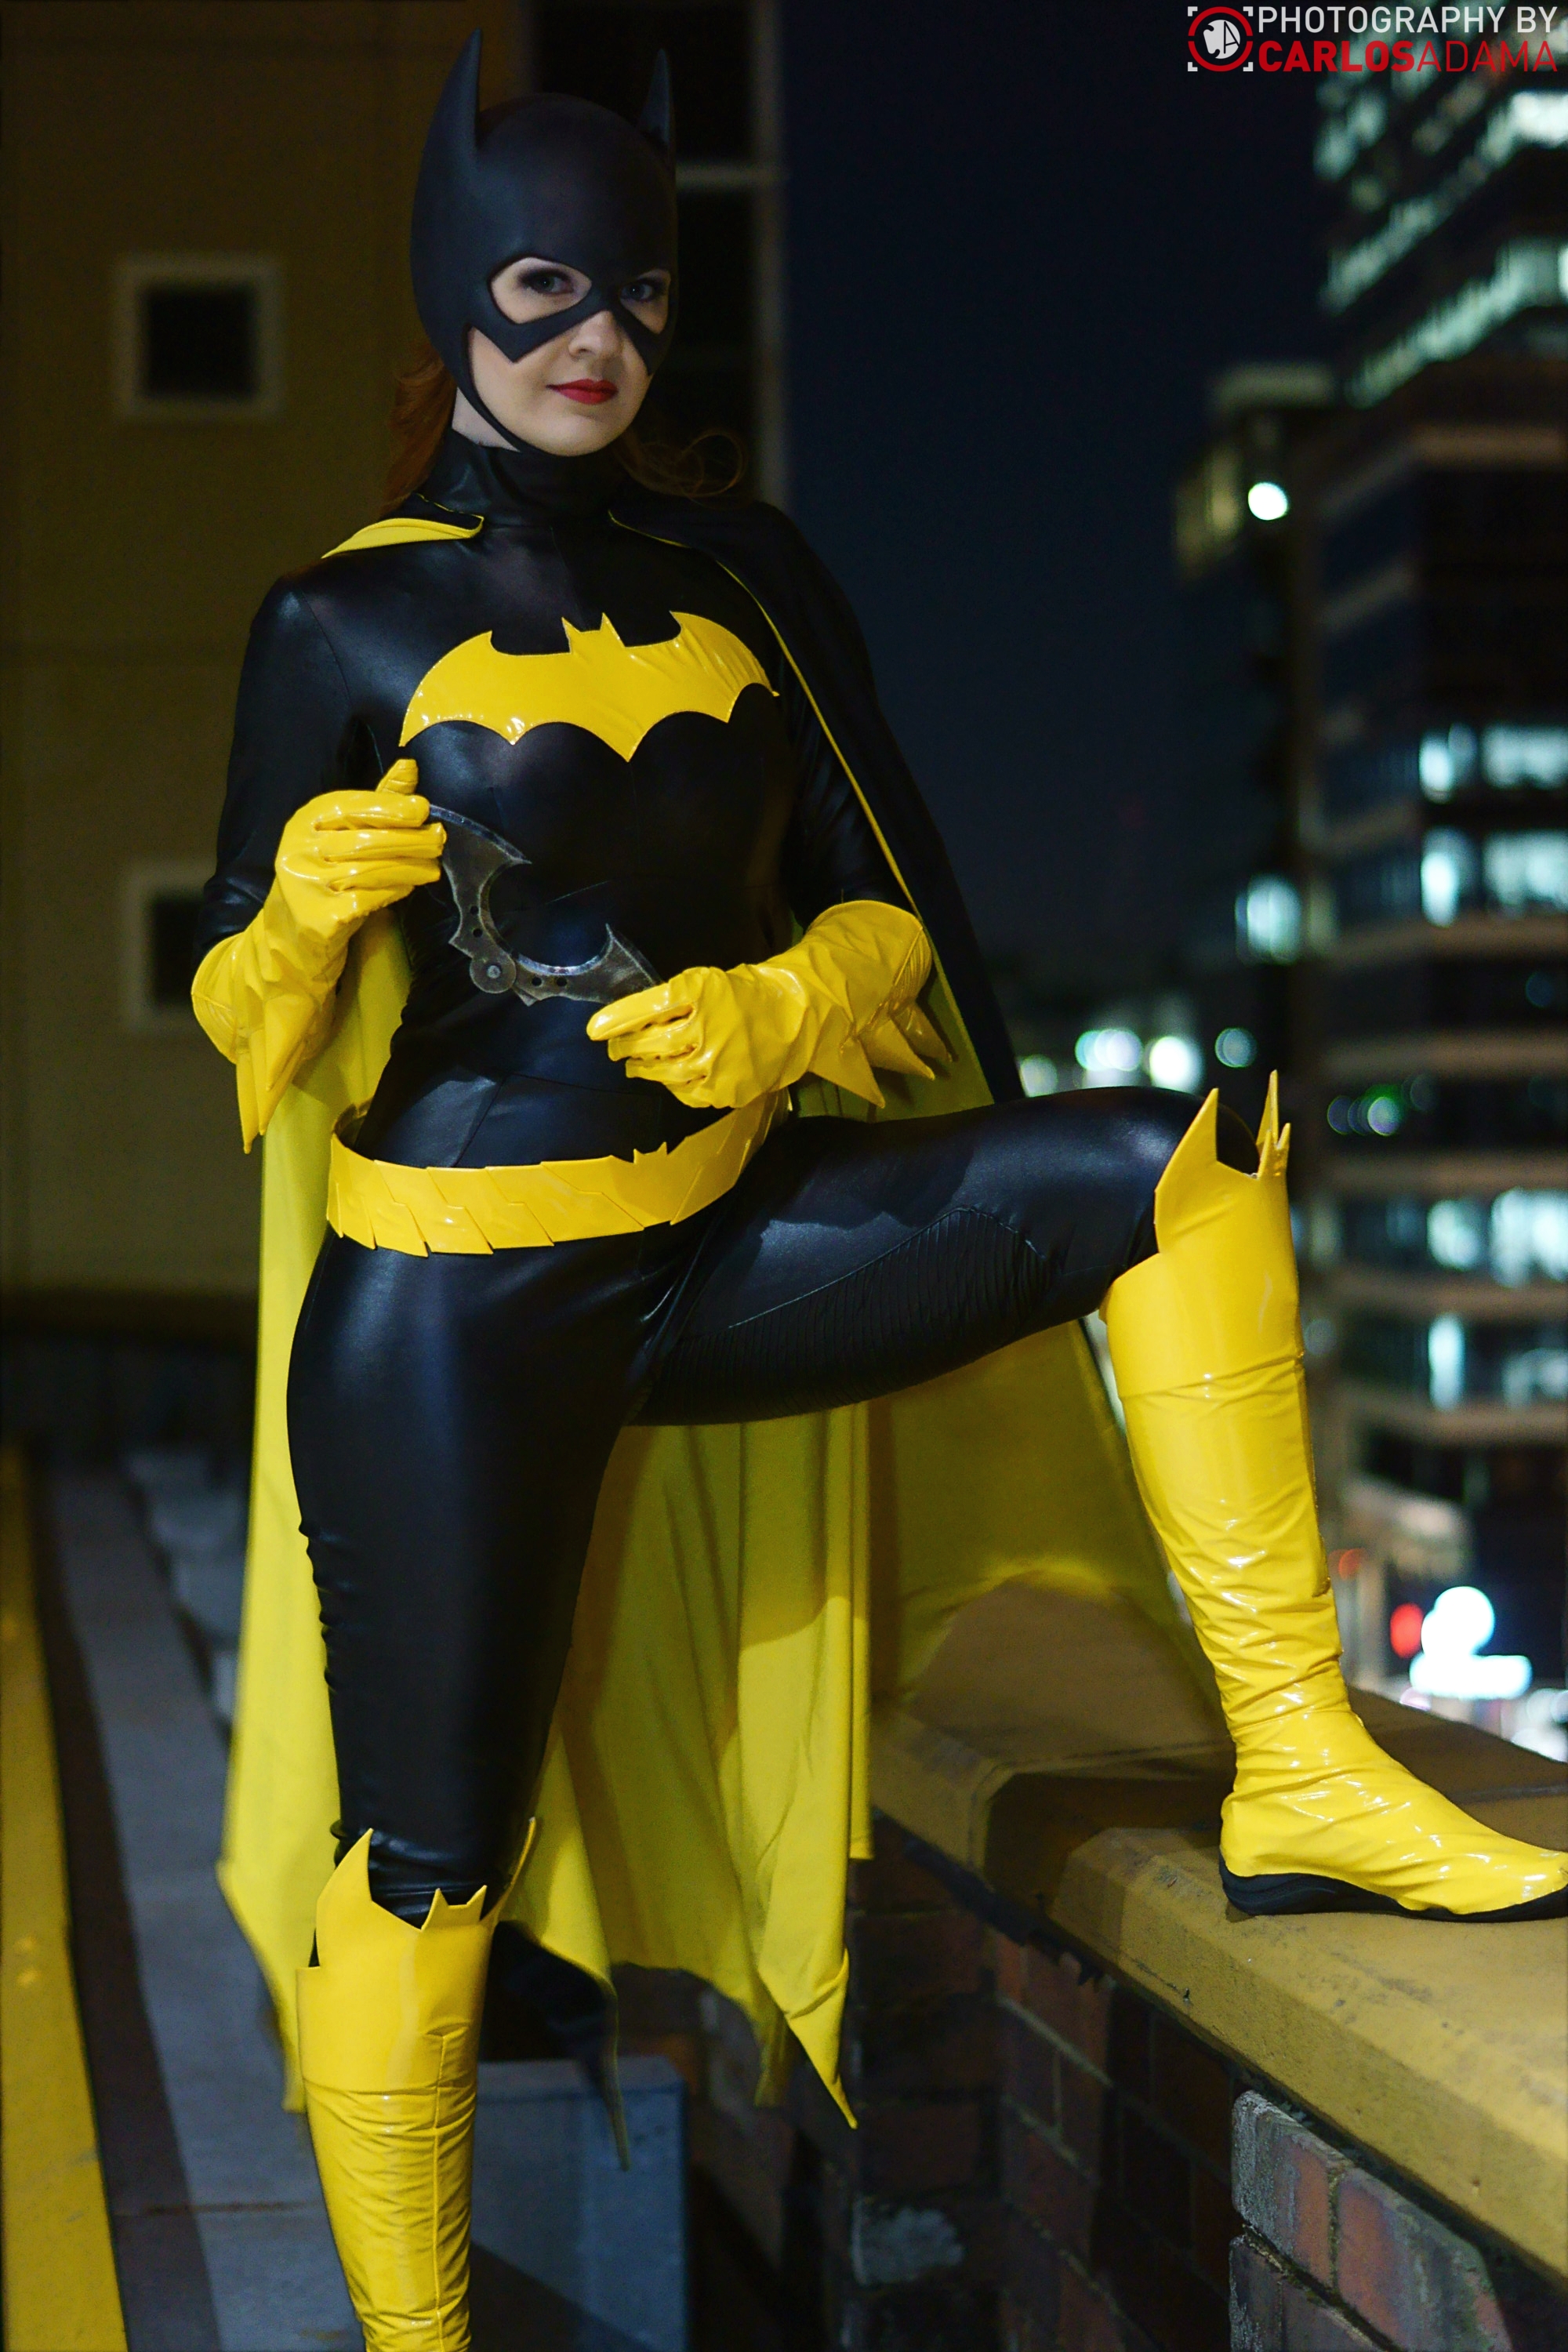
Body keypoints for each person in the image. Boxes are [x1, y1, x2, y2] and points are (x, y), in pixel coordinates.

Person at [191, 38, 1567, 2351]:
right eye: (541, 290)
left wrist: (791, 1002)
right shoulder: (336, 624)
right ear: (459, 293)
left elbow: (888, 911)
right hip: (454, 1310)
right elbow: (239, 1028)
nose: (596, 338)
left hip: (720, 1240)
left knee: (1186, 1163)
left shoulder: (739, 582)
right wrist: (303, 920)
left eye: (635, 294)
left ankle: (1306, 1767)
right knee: (427, 1867)